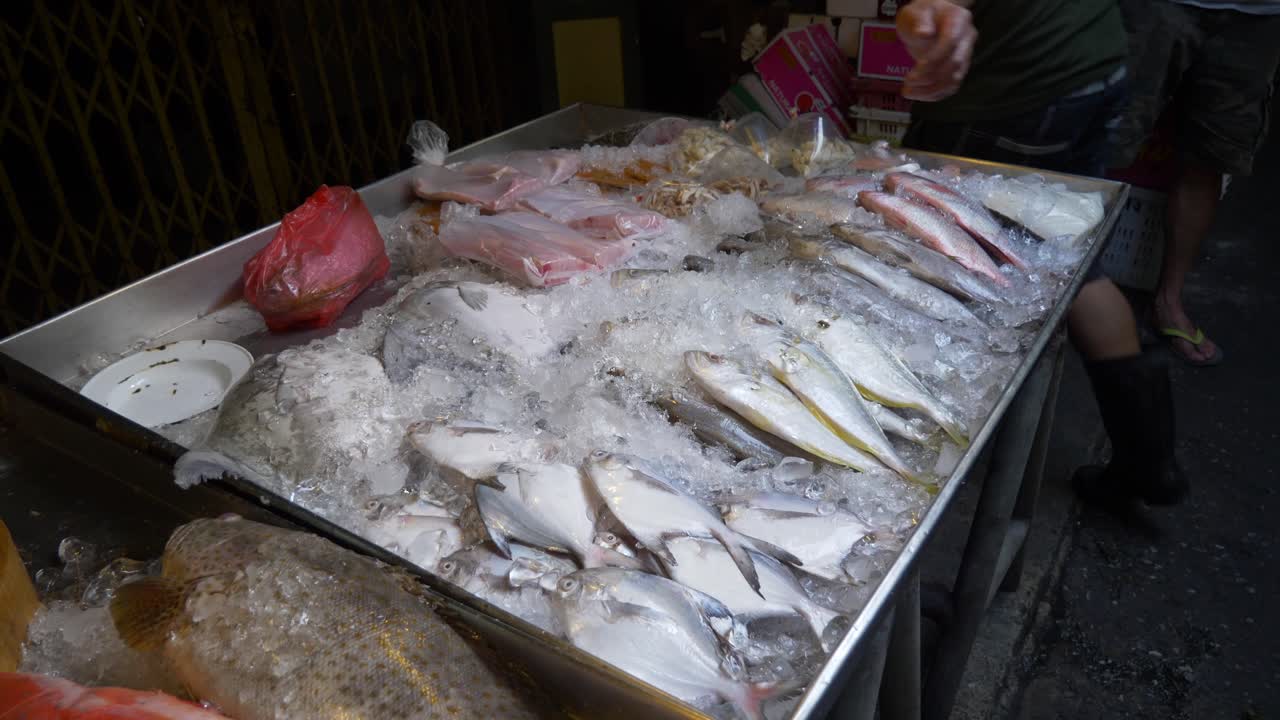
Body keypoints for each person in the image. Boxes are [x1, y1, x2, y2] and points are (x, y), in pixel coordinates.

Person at [894, 0, 1187, 509]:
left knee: (957, 259)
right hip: (1092, 62)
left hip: (1012, 88)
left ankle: (934, 446)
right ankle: (1149, 461)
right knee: (1070, 263)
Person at [1110, 0, 1280, 366]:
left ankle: (1169, 302)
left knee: (1212, 157)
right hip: (1161, 6)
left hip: (1258, 15)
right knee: (1111, 136)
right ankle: (1067, 289)